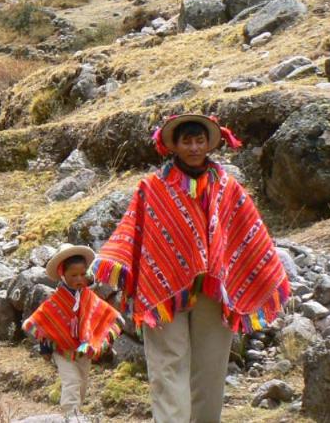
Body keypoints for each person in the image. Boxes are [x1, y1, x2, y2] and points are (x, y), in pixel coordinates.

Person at [91, 114, 291, 423]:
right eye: (187, 141)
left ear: (209, 144)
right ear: (174, 145)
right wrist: (114, 264)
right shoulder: (153, 188)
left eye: (200, 140)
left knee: (210, 368)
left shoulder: (227, 188)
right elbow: (135, 232)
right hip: (162, 291)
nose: (194, 147)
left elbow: (248, 233)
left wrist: (266, 272)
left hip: (214, 290)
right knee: (167, 366)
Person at [23, 243, 121, 420]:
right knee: (72, 380)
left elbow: (101, 316)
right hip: (62, 349)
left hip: (83, 349)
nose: (79, 279)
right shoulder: (56, 301)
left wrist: (103, 338)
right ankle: (71, 414)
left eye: (83, 274)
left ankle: (76, 412)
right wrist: (45, 348)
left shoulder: (88, 296)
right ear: (63, 275)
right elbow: (47, 324)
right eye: (74, 275)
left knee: (82, 382)